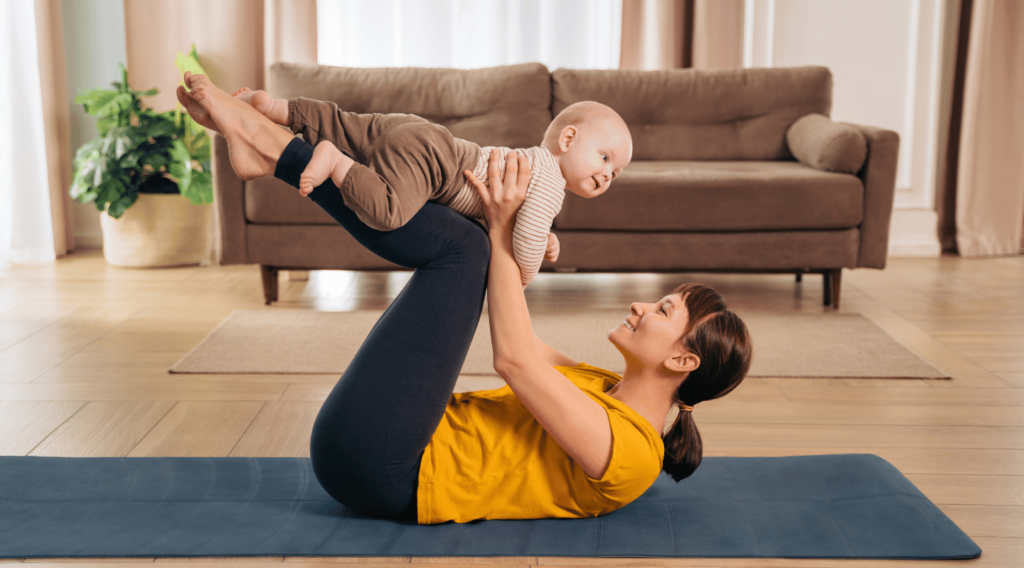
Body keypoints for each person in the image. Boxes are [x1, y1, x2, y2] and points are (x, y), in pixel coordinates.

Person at [175, 72, 752, 525]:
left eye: (663, 311)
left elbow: (514, 359)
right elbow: (523, 338)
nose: (641, 307)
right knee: (466, 243)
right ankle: (274, 144)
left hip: (386, 470)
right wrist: (508, 228)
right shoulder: (603, 387)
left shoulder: (630, 455)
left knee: (470, 250)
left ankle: (274, 142)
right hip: (389, 438)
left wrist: (505, 231)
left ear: (683, 360)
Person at [188, 83, 631, 287]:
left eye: (615, 174)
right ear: (568, 139)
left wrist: (545, 238)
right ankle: (333, 161)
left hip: (420, 133)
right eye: (605, 158)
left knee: (347, 124)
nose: (607, 175)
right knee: (387, 211)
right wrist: (528, 274)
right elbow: (527, 239)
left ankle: (275, 109)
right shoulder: (551, 183)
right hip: (435, 164)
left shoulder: (534, 169)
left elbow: (524, 222)